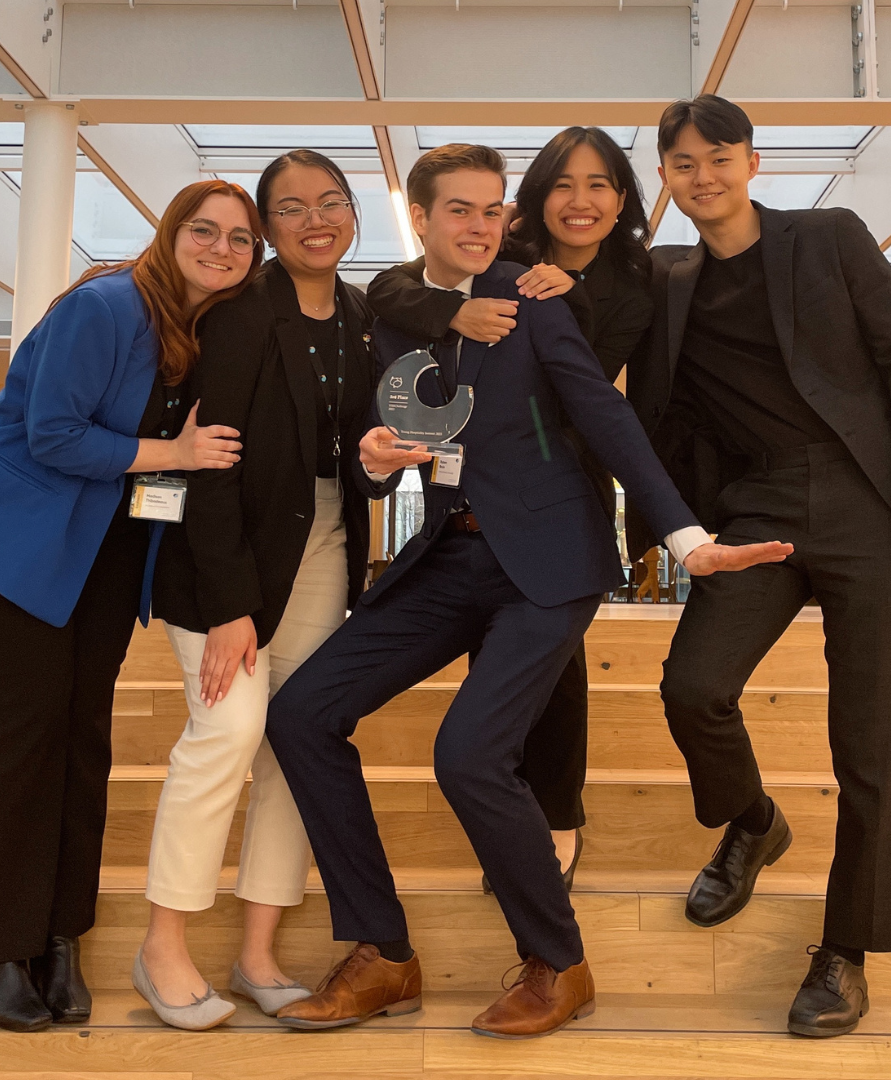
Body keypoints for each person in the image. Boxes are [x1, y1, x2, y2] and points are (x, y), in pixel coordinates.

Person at [264, 143, 790, 1040]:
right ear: (419, 218)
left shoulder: (537, 303)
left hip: (546, 566)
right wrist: (373, 460)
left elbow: (607, 416)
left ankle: (558, 963)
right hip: (443, 558)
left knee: (468, 754)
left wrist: (687, 536)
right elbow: (375, 440)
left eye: (491, 208)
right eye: (458, 210)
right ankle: (383, 953)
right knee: (302, 713)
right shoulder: (389, 315)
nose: (480, 226)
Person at [623, 95, 891, 1038]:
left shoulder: (830, 236)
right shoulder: (664, 275)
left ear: (752, 162)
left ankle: (845, 952)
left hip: (867, 504)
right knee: (692, 687)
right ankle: (753, 821)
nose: (704, 176)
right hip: (757, 508)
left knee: (865, 744)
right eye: (683, 163)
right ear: (666, 177)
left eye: (719, 157)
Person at [0, 180, 260, 1032]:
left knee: (84, 742)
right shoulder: (108, 305)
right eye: (205, 230)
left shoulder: (202, 327)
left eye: (240, 237)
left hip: (106, 545)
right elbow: (53, 433)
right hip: (12, 539)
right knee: (21, 740)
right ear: (170, 231)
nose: (223, 248)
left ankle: (60, 939)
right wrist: (177, 450)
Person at [366, 126, 653, 886]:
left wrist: (572, 296)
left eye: (599, 186)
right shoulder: (500, 248)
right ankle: (508, 799)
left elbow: (594, 392)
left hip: (565, 478)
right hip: (472, 480)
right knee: (501, 656)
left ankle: (556, 813)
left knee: (556, 664)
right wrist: (451, 315)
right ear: (534, 199)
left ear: (622, 198)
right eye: (563, 184)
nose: (580, 201)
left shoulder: (635, 280)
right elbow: (395, 286)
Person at [135, 151, 378, 1030]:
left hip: (324, 541)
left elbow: (357, 453)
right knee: (230, 728)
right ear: (271, 230)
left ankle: (257, 953)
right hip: (224, 550)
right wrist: (234, 603)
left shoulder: (361, 312)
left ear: (352, 213)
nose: (315, 219)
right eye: (290, 208)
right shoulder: (240, 314)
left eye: (332, 202)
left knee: (295, 735)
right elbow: (211, 468)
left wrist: (377, 467)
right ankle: (163, 946)